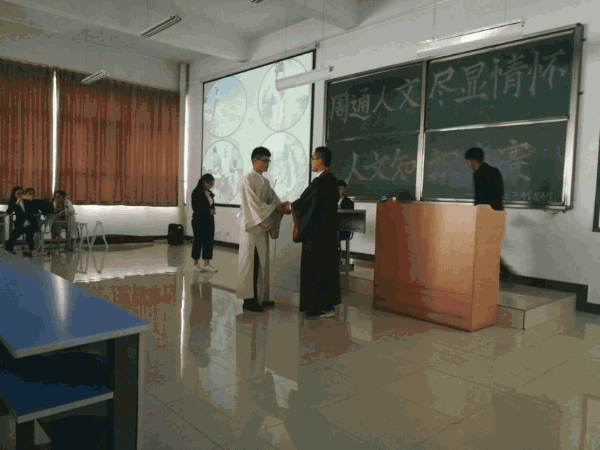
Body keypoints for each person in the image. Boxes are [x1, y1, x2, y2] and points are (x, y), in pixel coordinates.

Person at [284, 147, 341, 318]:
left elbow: (306, 204)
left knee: (316, 270)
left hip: (317, 235)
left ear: (321, 160)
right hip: (326, 234)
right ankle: (327, 305)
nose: (311, 161)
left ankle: (318, 307)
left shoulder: (321, 182)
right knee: (326, 269)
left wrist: (289, 206)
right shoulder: (331, 180)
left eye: (313, 158)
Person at [236, 147, 289, 312]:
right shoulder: (248, 179)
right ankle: (249, 301)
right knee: (251, 263)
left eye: (269, 161)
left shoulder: (264, 181)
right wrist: (275, 208)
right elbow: (254, 205)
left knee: (262, 263)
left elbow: (273, 200)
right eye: (265, 160)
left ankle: (261, 297)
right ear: (255, 161)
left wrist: (282, 206)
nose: (267, 164)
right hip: (252, 226)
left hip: (261, 225)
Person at [464, 147, 513, 280]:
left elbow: (481, 197)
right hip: (495, 212)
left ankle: (503, 271)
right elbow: (499, 193)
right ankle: (500, 271)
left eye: (467, 161)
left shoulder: (480, 173)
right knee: (488, 245)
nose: (467, 164)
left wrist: (479, 211)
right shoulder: (492, 171)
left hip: (487, 214)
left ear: (473, 160)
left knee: (486, 245)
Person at [191, 174, 218, 272]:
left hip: (209, 220)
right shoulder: (196, 192)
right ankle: (195, 264)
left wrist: (213, 210)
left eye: (212, 183)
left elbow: (211, 205)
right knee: (198, 241)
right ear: (204, 182)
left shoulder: (209, 193)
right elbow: (196, 207)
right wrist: (208, 211)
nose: (211, 185)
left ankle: (207, 264)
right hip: (198, 220)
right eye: (210, 183)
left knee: (208, 242)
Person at [4, 185, 38, 256]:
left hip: (30, 223)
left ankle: (32, 250)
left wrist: (31, 201)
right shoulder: (13, 203)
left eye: (21, 193)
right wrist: (16, 203)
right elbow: (9, 211)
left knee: (29, 233)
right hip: (20, 224)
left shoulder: (27, 201)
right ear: (14, 194)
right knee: (13, 235)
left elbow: (33, 210)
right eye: (18, 193)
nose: (20, 195)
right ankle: (9, 250)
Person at [337, 180, 354, 253]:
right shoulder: (331, 201)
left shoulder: (349, 202)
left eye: (344, 188)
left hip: (343, 229)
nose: (342, 191)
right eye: (340, 188)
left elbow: (346, 218)